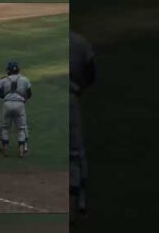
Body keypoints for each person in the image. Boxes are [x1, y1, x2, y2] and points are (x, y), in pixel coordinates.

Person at [69, 31, 96, 223]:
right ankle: (79, 205)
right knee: (76, 153)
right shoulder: (80, 42)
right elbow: (91, 73)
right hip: (70, 99)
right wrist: (80, 90)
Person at [0, 61, 32, 158]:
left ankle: (4, 149)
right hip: (20, 104)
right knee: (22, 127)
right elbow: (29, 94)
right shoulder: (25, 79)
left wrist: (7, 96)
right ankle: (21, 151)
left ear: (8, 70)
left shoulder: (3, 80)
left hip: (7, 104)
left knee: (5, 127)